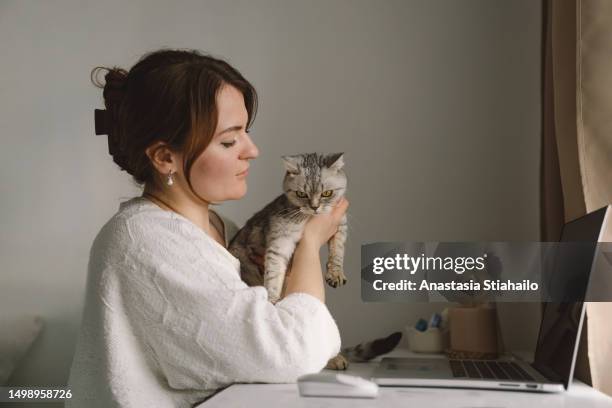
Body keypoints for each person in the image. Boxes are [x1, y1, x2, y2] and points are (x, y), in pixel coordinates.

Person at [66, 49, 349, 408]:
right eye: (229, 141)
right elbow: (291, 352)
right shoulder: (145, 241)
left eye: (247, 132)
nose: (252, 150)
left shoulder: (223, 231)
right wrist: (309, 243)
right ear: (165, 157)